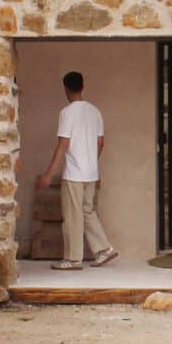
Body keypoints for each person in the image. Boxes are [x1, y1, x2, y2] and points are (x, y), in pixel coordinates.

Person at [37, 71, 118, 270]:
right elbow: (101, 143)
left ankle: (73, 259)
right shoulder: (95, 111)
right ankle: (104, 249)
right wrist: (91, 161)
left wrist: (49, 174)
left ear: (65, 88)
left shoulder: (67, 113)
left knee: (73, 216)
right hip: (91, 173)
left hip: (74, 174)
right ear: (82, 86)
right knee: (87, 211)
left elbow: (63, 144)